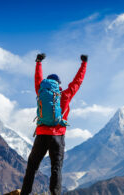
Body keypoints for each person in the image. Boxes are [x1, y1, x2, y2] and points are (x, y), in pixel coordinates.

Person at [20, 53, 88, 195]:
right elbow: (77, 81)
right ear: (59, 85)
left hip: (41, 134)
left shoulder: (40, 90)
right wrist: (84, 64)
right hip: (58, 136)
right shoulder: (65, 95)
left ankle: (25, 193)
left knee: (32, 167)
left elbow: (37, 77)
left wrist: (38, 62)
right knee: (56, 168)